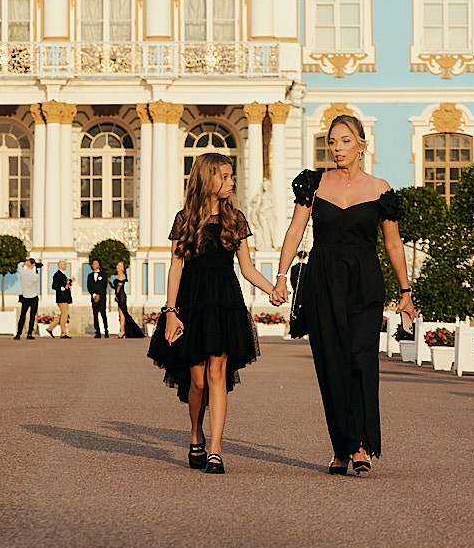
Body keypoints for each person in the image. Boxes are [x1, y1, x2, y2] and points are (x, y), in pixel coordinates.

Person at [272, 115, 414, 477]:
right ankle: (341, 447)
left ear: (362, 145)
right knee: (331, 364)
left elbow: (393, 244)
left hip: (365, 283)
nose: (337, 148)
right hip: (323, 282)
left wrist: (406, 292)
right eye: (332, 142)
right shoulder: (314, 184)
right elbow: (295, 231)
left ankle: (361, 445)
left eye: (345, 141)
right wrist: (281, 277)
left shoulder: (380, 190)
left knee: (361, 360)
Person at [148, 152, 279, 474]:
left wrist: (272, 289)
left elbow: (247, 268)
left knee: (217, 373)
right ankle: (196, 434)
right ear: (208, 179)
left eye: (232, 176)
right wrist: (170, 312)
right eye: (225, 176)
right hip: (192, 303)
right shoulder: (185, 220)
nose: (231, 182)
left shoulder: (236, 220)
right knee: (197, 381)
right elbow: (176, 268)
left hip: (224, 302)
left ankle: (216, 450)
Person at [114, 262, 144, 338]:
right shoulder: (118, 275)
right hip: (119, 295)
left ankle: (122, 331)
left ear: (122, 268)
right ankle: (122, 330)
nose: (118, 267)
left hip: (121, 296)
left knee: (123, 314)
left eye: (120, 266)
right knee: (121, 313)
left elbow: (119, 286)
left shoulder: (121, 275)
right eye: (118, 265)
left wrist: (116, 295)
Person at [15, 257, 42, 339]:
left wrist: (24, 263)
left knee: (22, 315)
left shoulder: (22, 272)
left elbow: (19, 265)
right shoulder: (35, 276)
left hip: (25, 296)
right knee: (32, 316)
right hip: (33, 297)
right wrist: (33, 266)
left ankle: (18, 334)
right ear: (33, 265)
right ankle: (29, 334)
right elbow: (36, 280)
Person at [85, 258, 110, 338]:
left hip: (102, 297)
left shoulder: (103, 274)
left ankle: (106, 330)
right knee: (95, 314)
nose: (94, 265)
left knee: (103, 313)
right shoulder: (90, 276)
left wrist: (99, 295)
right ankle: (97, 331)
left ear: (99, 265)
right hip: (94, 297)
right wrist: (94, 295)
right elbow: (89, 286)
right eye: (93, 264)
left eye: (96, 263)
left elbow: (104, 286)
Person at [50, 261, 73, 338]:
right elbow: (54, 286)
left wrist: (69, 282)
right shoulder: (57, 275)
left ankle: (50, 328)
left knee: (63, 315)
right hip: (62, 298)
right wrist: (63, 288)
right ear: (59, 265)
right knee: (64, 315)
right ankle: (63, 333)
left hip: (65, 297)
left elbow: (64, 283)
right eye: (63, 264)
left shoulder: (63, 275)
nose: (65, 265)